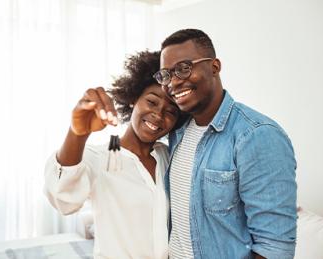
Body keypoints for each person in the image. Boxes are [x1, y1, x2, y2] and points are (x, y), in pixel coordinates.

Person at [152, 29, 297, 259]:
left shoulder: (256, 135)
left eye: (184, 68)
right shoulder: (176, 134)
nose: (174, 82)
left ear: (214, 67)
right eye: (166, 75)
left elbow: (274, 247)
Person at [44, 50, 182, 259]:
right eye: (152, 102)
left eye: (171, 111)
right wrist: (78, 134)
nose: (158, 114)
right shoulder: (101, 155)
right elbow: (63, 200)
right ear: (134, 99)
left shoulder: (168, 156)